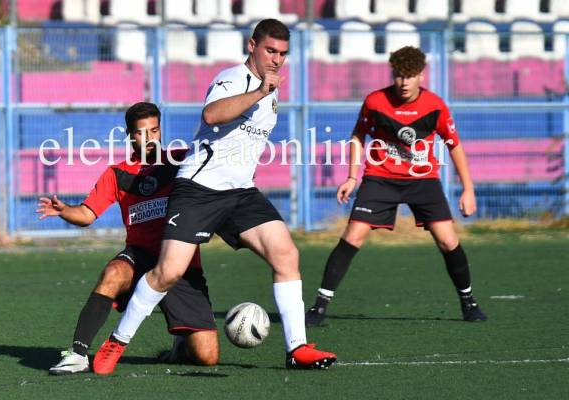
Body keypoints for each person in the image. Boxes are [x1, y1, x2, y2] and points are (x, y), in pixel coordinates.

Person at [93, 19, 336, 374]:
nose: (277, 59)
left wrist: (263, 97)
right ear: (252, 45)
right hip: (199, 189)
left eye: (283, 53)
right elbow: (211, 114)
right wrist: (259, 92)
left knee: (286, 254)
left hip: (239, 192)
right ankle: (117, 340)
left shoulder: (271, 92)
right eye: (270, 50)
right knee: (168, 272)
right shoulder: (233, 79)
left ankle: (297, 348)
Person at [305, 46, 487, 327]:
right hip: (380, 178)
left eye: (410, 75)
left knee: (448, 240)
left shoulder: (435, 106)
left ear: (421, 76)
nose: (404, 82)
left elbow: (454, 145)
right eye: (399, 75)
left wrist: (468, 188)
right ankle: (319, 307)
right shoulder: (375, 101)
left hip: (422, 180)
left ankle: (469, 303)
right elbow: (358, 136)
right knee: (353, 236)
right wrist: (352, 177)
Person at [38, 102, 219, 375]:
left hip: (180, 261)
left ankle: (179, 349)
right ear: (130, 135)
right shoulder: (117, 173)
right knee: (113, 272)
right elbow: (87, 214)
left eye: (154, 131)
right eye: (141, 132)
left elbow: (218, 169)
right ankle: (78, 354)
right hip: (140, 256)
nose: (149, 138)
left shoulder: (182, 161)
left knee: (207, 356)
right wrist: (64, 211)